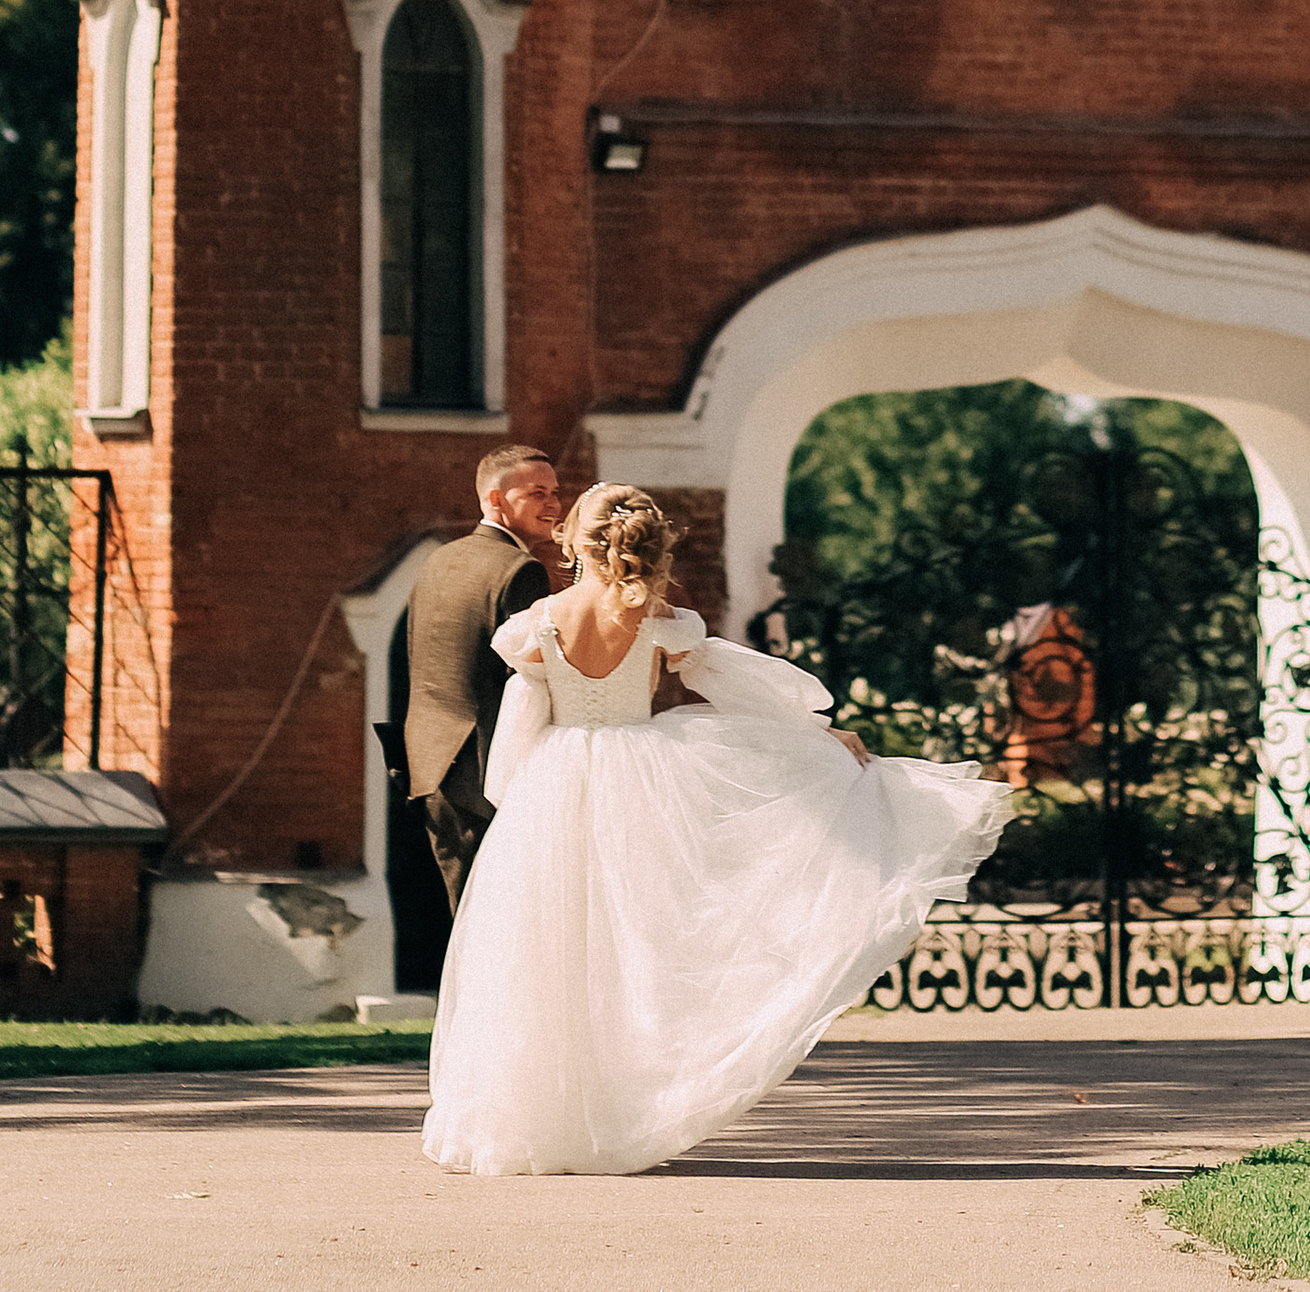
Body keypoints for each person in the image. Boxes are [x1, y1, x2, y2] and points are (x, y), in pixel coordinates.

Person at [422, 480, 1012, 1179]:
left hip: (555, 785)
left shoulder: (537, 624)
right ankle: (613, 1118)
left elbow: (520, 735)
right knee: (630, 949)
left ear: (577, 541)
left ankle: (529, 1122)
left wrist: (518, 810)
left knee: (542, 950)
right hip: (638, 781)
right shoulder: (658, 620)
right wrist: (815, 732)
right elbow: (736, 685)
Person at [402, 444, 565, 917]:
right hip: (484, 771)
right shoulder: (521, 570)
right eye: (537, 492)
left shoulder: (439, 560)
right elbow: (528, 683)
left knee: (466, 916)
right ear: (496, 500)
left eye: (555, 491)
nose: (554, 504)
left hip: (428, 763)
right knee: (496, 918)